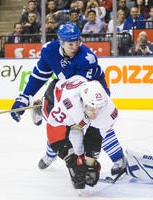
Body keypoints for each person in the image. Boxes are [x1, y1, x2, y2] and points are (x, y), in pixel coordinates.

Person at [10, 22, 126, 176]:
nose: (75, 46)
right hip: (65, 90)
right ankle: (51, 153)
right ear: (61, 42)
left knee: (98, 123)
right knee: (62, 124)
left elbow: (83, 89)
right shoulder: (49, 51)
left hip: (91, 92)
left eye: (77, 41)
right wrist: (24, 97)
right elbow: (39, 76)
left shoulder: (87, 58)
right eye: (70, 43)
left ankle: (119, 159)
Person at [44, 76, 114, 190]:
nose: (95, 114)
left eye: (98, 108)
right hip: (54, 96)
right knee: (75, 139)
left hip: (78, 100)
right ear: (82, 101)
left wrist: (91, 165)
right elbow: (55, 132)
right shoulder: (68, 106)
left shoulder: (108, 109)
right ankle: (37, 112)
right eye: (91, 108)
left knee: (83, 129)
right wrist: (72, 161)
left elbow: (95, 135)